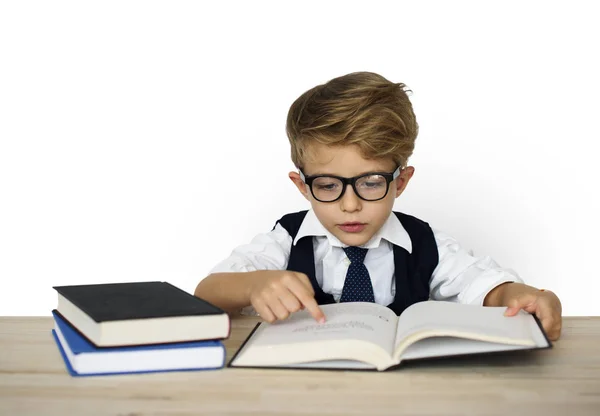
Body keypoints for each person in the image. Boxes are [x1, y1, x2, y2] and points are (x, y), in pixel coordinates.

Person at [194, 71, 562, 340]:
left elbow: (484, 286)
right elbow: (207, 292)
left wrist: (521, 296)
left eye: (371, 183)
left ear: (400, 181)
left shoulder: (425, 243)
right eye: (327, 185)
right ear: (302, 186)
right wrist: (255, 284)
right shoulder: (285, 240)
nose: (350, 205)